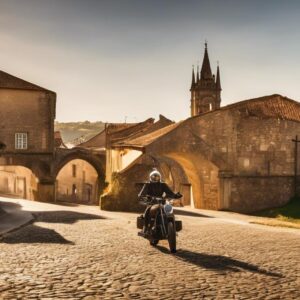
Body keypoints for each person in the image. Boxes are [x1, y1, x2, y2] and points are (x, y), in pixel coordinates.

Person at [138, 169, 182, 234]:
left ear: (159, 177)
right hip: (151, 202)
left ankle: (173, 228)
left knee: (169, 210)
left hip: (162, 202)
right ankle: (146, 228)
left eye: (157, 176)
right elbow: (142, 193)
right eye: (153, 176)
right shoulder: (147, 184)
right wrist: (143, 196)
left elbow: (170, 193)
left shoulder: (163, 185)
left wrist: (175, 195)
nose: (155, 178)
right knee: (147, 211)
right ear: (150, 177)